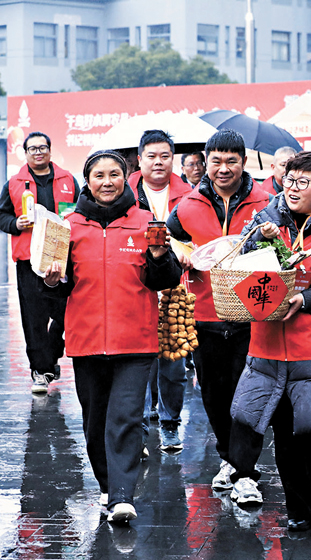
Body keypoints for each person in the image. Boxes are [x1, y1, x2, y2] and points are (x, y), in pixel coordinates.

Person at [43, 150, 182, 522]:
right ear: (87, 181)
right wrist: (54, 281)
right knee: (95, 421)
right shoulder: (68, 226)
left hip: (135, 342)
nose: (107, 182)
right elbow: (58, 289)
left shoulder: (145, 223)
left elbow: (165, 280)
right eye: (99, 175)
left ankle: (123, 496)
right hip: (87, 341)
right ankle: (108, 486)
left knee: (125, 418)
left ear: (126, 177)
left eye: (115, 174)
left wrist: (158, 256)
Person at [227, 151, 311, 532]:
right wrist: (260, 247)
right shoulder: (263, 222)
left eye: (303, 183)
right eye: (289, 180)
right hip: (270, 349)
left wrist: (305, 298)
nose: (293, 188)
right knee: (283, 434)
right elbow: (243, 266)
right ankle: (298, 511)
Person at [166, 130, 270, 490]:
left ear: (244, 162)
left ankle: (245, 471)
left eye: (232, 161)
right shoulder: (188, 205)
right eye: (216, 161)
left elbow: (284, 251)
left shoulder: (266, 203)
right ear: (206, 162)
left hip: (252, 315)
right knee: (213, 394)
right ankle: (230, 458)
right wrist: (179, 252)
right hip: (204, 313)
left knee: (249, 396)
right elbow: (170, 240)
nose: (223, 168)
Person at [129, 129, 192, 452]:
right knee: (138, 364)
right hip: (136, 290)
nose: (158, 162)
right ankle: (138, 428)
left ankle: (169, 423)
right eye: (151, 156)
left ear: (173, 159)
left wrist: (187, 253)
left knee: (173, 363)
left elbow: (199, 237)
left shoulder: (190, 194)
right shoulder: (124, 194)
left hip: (175, 291)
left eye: (164, 156)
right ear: (139, 160)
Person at [0, 131, 78, 394]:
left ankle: (51, 355)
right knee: (34, 318)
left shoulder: (68, 179)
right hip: (28, 259)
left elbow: (80, 212)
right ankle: (40, 371)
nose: (38, 152)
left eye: (42, 147)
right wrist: (15, 223)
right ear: (25, 154)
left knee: (65, 312)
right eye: (32, 149)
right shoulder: (14, 183)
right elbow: (2, 216)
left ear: (50, 150)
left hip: (61, 257)